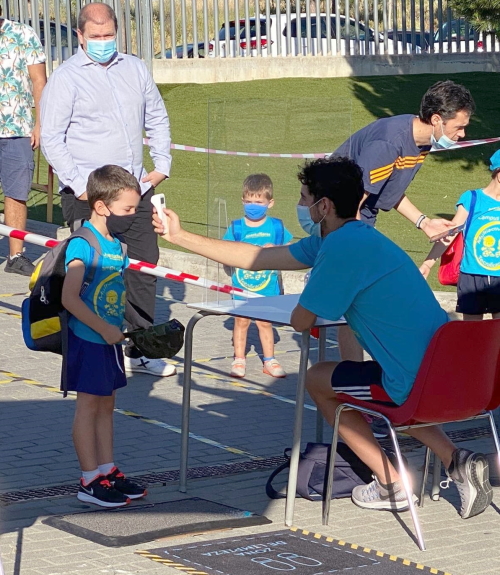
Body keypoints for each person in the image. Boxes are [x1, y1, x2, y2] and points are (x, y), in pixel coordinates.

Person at [152, 156, 492, 519]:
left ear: (324, 205)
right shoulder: (360, 237)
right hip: (451, 378)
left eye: (304, 198)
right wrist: (180, 236)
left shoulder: (339, 248)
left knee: (318, 380)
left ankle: (392, 483)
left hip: (414, 383)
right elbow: (257, 257)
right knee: (370, 383)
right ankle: (458, 460)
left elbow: (301, 321)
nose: (301, 205)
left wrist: (318, 289)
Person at [40, 2, 175, 377]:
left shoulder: (135, 68)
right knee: (93, 274)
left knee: (143, 268)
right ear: (80, 35)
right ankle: (91, 345)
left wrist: (161, 166)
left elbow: (157, 116)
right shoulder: (66, 78)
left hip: (136, 191)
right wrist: (80, 186)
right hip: (90, 198)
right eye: (95, 35)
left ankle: (142, 348)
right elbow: (51, 137)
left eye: (109, 34)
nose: (103, 41)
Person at [330, 80, 475, 363]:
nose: (462, 134)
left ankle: (359, 370)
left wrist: (424, 223)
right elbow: (351, 203)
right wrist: (351, 250)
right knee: (371, 292)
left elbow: (389, 191)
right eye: (459, 127)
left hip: (359, 215)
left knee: (360, 300)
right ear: (437, 120)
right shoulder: (389, 142)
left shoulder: (421, 143)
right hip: (332, 212)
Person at [62, 165, 147, 508]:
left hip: (110, 340)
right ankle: (89, 479)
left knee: (107, 404)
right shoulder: (82, 245)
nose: (132, 215)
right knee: (88, 406)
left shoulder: (118, 245)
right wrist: (103, 328)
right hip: (89, 339)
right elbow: (70, 298)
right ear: (101, 206)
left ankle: (107, 469)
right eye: (127, 209)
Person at [223, 174, 293, 378]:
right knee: (241, 321)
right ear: (242, 201)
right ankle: (239, 359)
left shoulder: (276, 227)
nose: (253, 206)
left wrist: (276, 249)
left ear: (270, 203)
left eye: (259, 202)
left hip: (267, 287)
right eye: (249, 201)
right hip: (241, 285)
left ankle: (270, 360)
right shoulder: (236, 227)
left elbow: (289, 248)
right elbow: (224, 251)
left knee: (265, 322)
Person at [421, 149, 500, 322]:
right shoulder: (472, 199)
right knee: (471, 331)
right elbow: (450, 234)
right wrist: (428, 264)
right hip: (471, 277)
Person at [0, 10, 47, 276]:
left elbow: (39, 80)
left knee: (16, 192)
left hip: (17, 129)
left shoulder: (23, 34)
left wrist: (40, 124)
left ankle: (15, 256)